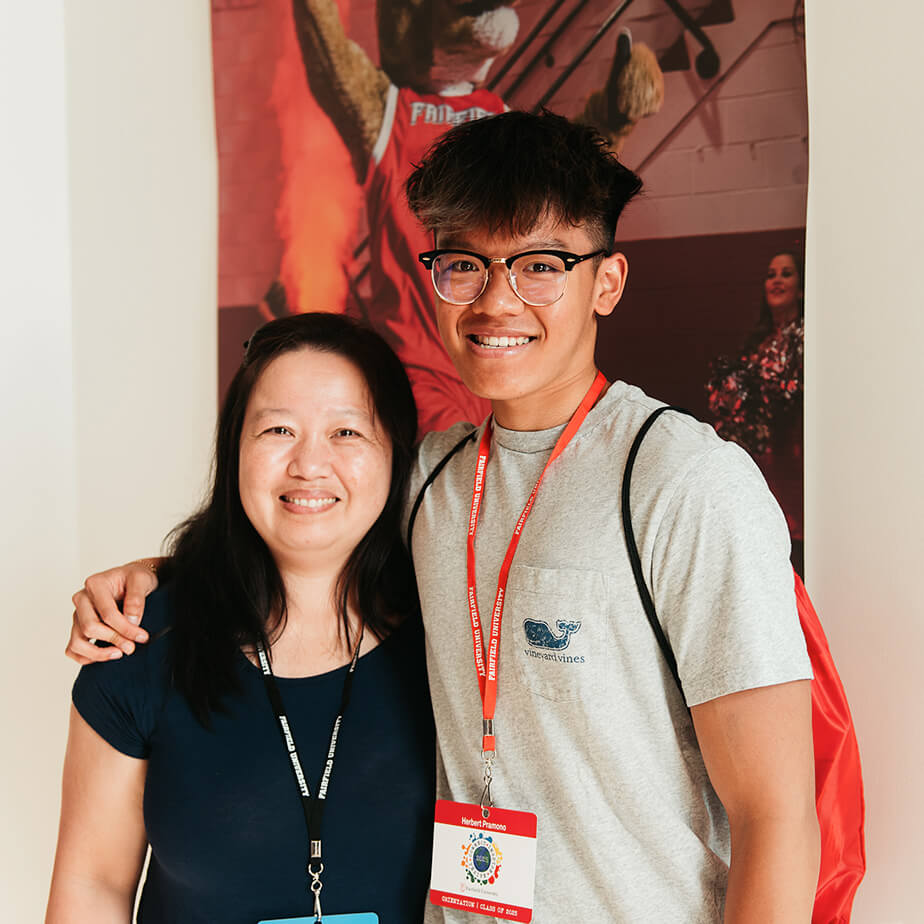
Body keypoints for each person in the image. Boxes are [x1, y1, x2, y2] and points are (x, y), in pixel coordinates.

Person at [67, 111, 819, 921]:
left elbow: (777, 816)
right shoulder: (433, 478)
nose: (497, 301)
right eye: (466, 265)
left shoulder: (684, 483)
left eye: (540, 265)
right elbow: (304, 521)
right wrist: (155, 579)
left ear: (607, 282)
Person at [48, 313, 435, 923]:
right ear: (235, 450)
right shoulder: (139, 641)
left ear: (397, 450)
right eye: (278, 429)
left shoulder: (450, 642)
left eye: (346, 433)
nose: (309, 464)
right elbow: (92, 887)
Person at [707, 251, 805, 572]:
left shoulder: (806, 336)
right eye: (770, 274)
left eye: (786, 274)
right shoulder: (759, 340)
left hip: (792, 457)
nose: (776, 280)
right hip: (759, 462)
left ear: (801, 287)